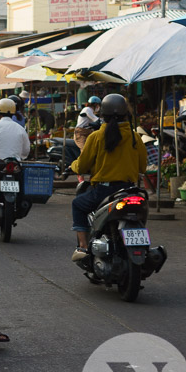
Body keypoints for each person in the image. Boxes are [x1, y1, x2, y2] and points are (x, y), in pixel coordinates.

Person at [70, 94, 145, 262]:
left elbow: (82, 166)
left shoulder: (95, 137)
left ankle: (83, 247)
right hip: (129, 190)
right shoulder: (135, 137)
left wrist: (73, 166)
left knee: (78, 204)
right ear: (126, 114)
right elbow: (143, 167)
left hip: (104, 191)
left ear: (102, 113)